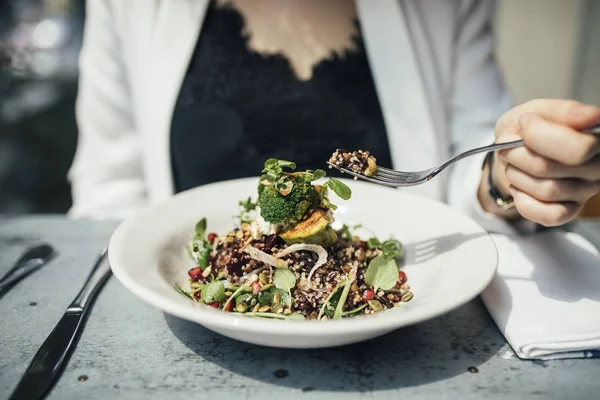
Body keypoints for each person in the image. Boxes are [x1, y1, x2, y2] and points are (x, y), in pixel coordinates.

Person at [67, 0, 600, 234]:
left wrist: (506, 177)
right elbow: (109, 192)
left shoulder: (446, 4)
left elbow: (470, 169)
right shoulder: (128, 5)